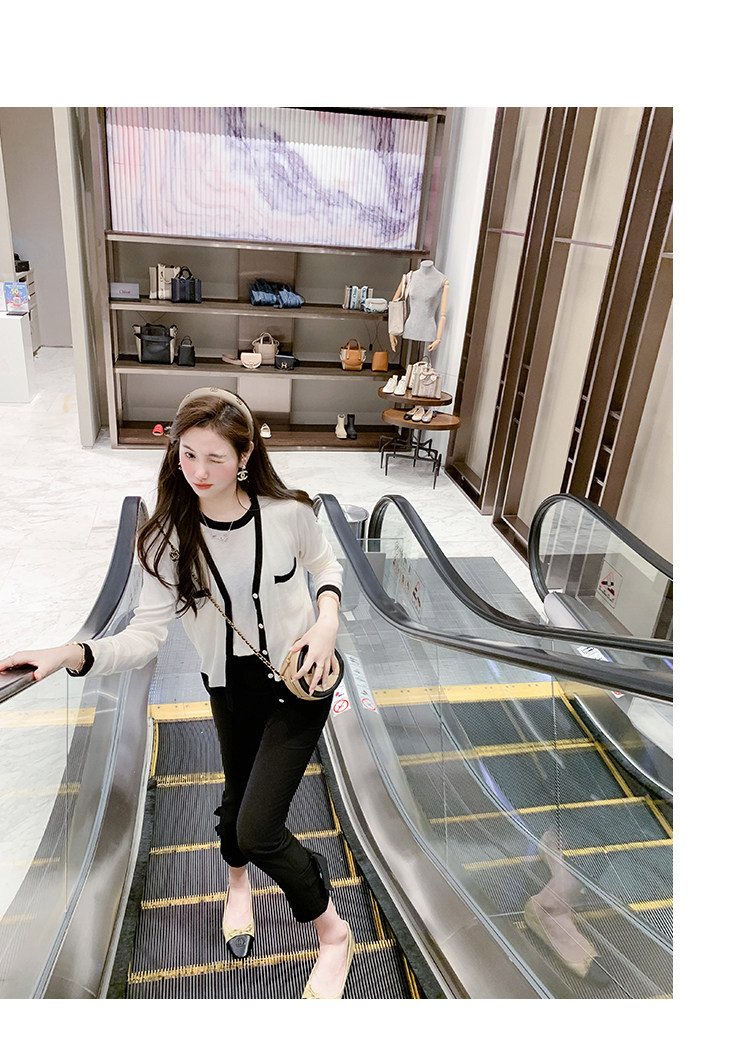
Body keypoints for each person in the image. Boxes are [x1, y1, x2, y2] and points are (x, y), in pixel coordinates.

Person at [0, 387, 354, 1000]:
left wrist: (326, 623)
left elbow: (326, 566)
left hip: (302, 682)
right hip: (230, 686)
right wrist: (71, 653)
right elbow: (144, 638)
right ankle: (237, 885)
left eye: (216, 458)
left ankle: (333, 933)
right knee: (236, 802)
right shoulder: (166, 539)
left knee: (258, 828)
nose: (199, 472)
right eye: (188, 455)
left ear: (245, 456)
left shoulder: (288, 512)